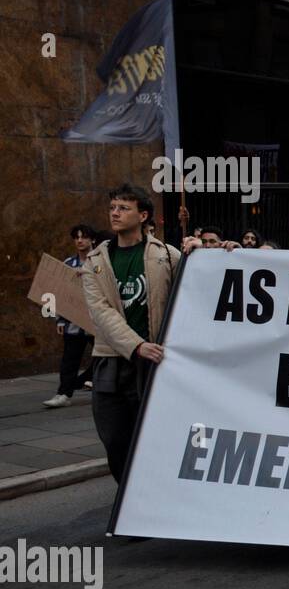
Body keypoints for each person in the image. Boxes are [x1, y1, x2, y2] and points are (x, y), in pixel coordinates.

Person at [82, 185, 181, 483]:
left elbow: (193, 290)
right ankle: (130, 497)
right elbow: (101, 313)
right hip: (111, 363)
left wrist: (211, 250)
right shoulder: (95, 261)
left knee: (155, 438)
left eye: (123, 208)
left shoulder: (166, 255)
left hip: (156, 364)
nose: (115, 213)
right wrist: (136, 345)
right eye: (113, 207)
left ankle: (150, 500)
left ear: (143, 215)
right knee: (115, 441)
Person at [43, 224, 99, 408]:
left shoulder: (100, 262)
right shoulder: (68, 263)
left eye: (83, 237)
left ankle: (85, 383)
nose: (80, 241)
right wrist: (59, 319)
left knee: (103, 356)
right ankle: (63, 393)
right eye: (76, 237)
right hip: (74, 321)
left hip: (97, 320)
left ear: (92, 239)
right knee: (69, 358)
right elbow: (60, 293)